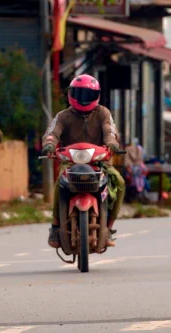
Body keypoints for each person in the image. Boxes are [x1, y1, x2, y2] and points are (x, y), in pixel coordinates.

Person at [42, 75, 124, 249]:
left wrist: (112, 143)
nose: (83, 99)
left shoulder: (103, 113)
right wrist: (49, 145)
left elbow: (110, 130)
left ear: (97, 95)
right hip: (70, 163)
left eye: (88, 94)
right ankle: (56, 227)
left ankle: (108, 227)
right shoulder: (63, 116)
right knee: (59, 184)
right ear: (71, 94)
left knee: (120, 183)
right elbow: (52, 132)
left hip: (99, 162)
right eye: (79, 93)